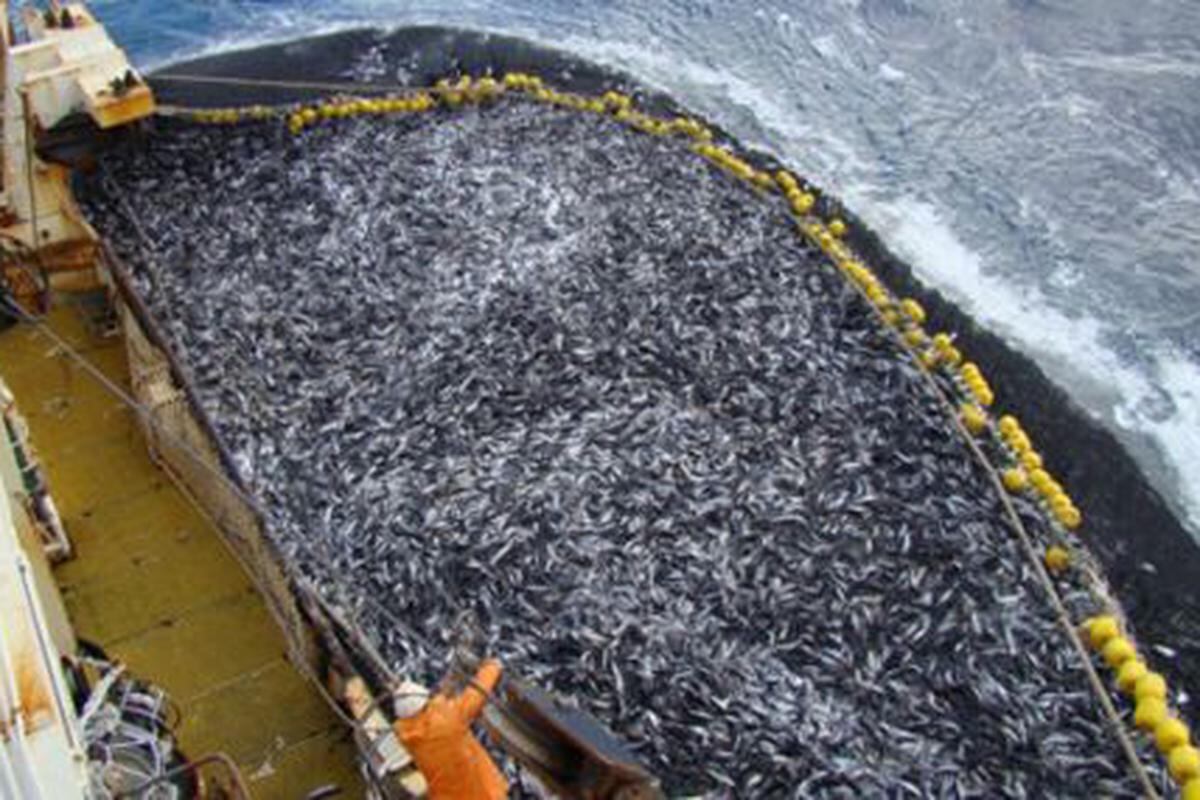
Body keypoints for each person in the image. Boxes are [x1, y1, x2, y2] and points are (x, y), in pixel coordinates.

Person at [393, 659, 509, 799]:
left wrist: (444, 692)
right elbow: (475, 696)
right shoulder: (447, 722)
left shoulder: (407, 737)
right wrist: (492, 667)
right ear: (424, 704)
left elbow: (430, 713)